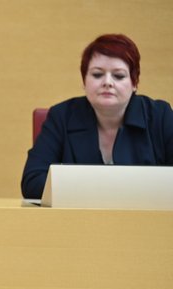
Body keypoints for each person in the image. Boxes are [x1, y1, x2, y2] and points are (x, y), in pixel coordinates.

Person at [21, 34, 173, 199]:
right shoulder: (61, 116)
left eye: (119, 76)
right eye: (97, 74)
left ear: (134, 83)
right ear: (84, 81)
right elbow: (32, 182)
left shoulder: (161, 116)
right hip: (77, 221)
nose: (107, 82)